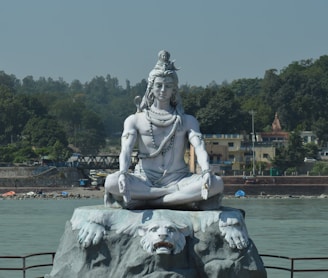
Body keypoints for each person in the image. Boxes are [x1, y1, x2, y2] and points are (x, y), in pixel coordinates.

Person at [104, 50, 224, 210]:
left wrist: (206, 171)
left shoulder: (187, 120)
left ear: (174, 89)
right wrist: (123, 173)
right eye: (158, 85)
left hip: (179, 179)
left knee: (216, 183)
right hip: (145, 179)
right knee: (111, 182)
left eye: (168, 86)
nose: (163, 90)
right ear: (151, 87)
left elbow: (200, 147)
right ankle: (176, 199)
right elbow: (125, 149)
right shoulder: (135, 119)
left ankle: (156, 201)